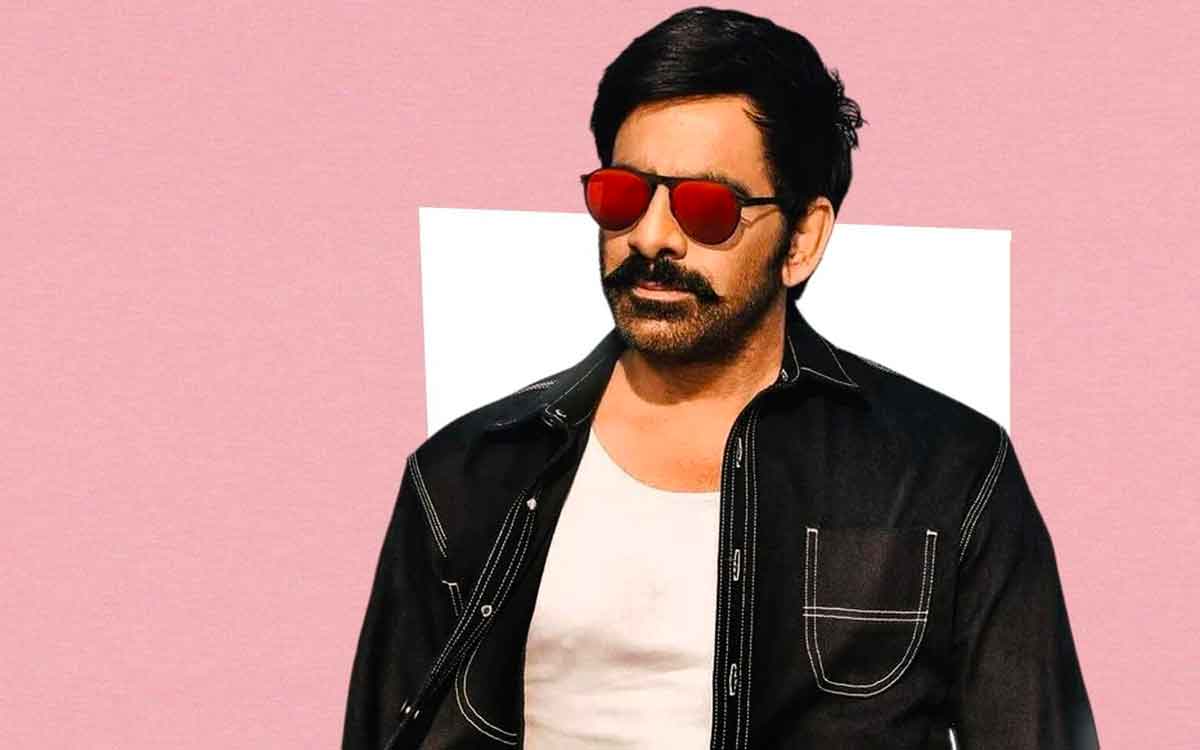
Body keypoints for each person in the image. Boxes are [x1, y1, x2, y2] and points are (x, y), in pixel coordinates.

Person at [342, 6, 1100, 749]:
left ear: (802, 239)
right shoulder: (466, 475)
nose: (651, 237)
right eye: (622, 196)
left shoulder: (948, 470)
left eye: (706, 208)